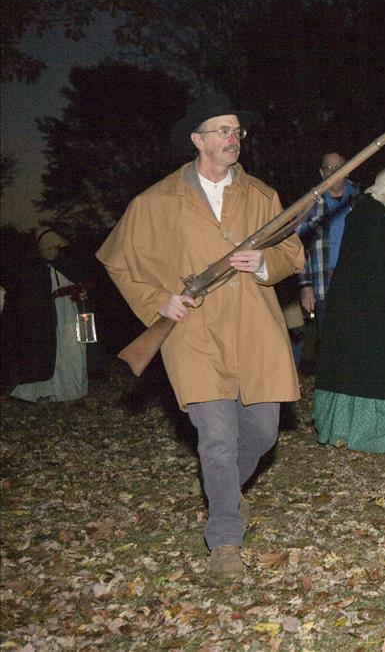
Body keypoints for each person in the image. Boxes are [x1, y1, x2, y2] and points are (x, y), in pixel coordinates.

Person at [97, 92, 304, 578]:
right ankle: (225, 540)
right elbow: (117, 260)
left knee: (262, 433)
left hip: (255, 329)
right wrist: (157, 301)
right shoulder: (156, 201)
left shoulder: (262, 196)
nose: (234, 138)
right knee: (217, 439)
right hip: (194, 334)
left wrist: (264, 263)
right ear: (197, 140)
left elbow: (291, 252)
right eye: (223, 131)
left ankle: (225, 494)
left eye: (237, 131)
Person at [313, 165, 385, 454]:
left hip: (365, 314)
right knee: (377, 375)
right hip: (374, 316)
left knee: (357, 374)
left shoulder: (370, 216)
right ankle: (381, 436)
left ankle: (346, 432)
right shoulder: (375, 221)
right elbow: (382, 272)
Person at [6, 229, 90, 402]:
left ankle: (71, 389)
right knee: (48, 351)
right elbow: (29, 298)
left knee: (72, 347)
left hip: (70, 310)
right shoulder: (31, 267)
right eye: (49, 248)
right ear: (40, 249)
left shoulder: (66, 263)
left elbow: (80, 281)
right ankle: (44, 390)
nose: (53, 252)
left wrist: (80, 291)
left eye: (56, 248)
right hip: (46, 317)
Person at [296, 151, 360, 335]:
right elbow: (296, 246)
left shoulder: (361, 198)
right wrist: (305, 285)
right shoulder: (309, 203)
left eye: (338, 167)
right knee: (329, 341)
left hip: (358, 284)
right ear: (322, 173)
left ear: (347, 169)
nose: (334, 172)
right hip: (324, 285)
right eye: (329, 168)